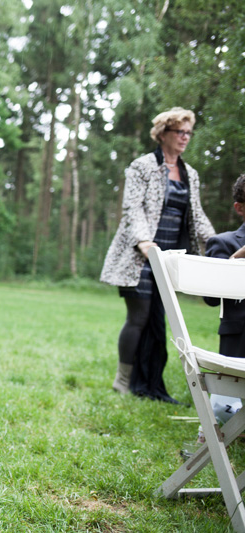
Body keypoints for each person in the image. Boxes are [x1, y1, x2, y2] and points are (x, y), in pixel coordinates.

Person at [100, 107, 215, 402]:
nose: (185, 137)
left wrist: (218, 244)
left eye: (189, 132)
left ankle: (149, 383)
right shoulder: (142, 166)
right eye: (180, 132)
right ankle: (123, 380)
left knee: (159, 320)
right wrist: (144, 242)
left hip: (170, 258)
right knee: (138, 318)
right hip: (140, 258)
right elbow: (132, 207)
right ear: (163, 133)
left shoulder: (190, 174)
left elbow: (197, 215)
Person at [199, 174, 245, 427]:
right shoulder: (224, 243)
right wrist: (234, 263)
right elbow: (210, 298)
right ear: (239, 208)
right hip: (240, 338)